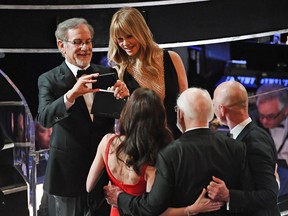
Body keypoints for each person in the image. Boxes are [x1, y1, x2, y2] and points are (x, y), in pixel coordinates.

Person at [104, 87, 250, 215]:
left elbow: (152, 208)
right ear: (211, 114)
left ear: (180, 114)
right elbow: (250, 196)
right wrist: (229, 195)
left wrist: (120, 198)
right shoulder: (236, 147)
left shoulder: (170, 154)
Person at [37, 17, 129, 216]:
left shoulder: (107, 73)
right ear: (62, 45)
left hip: (104, 173)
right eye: (78, 42)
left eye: (88, 42)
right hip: (67, 176)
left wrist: (125, 98)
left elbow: (122, 117)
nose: (85, 47)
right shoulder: (49, 79)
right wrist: (71, 95)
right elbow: (44, 118)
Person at [107, 7, 188, 139]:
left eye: (129, 36)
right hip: (142, 143)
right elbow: (122, 119)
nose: (125, 43)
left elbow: (186, 102)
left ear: (141, 32)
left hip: (175, 140)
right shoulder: (119, 70)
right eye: (119, 39)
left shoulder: (172, 58)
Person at [210, 80, 280, 215]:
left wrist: (228, 195)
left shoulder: (254, 142)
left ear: (222, 109)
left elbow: (269, 196)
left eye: (214, 104)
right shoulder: (255, 134)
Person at [253, 83, 288, 197]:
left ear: (286, 110)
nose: (264, 121)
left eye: (270, 116)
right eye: (261, 115)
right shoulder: (252, 120)